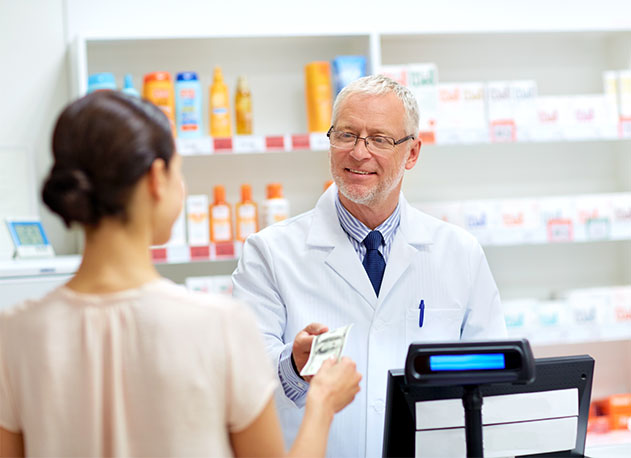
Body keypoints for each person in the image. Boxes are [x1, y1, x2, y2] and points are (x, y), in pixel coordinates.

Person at [0, 91, 361, 457]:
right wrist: (322, 404)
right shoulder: (218, 325)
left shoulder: (13, 334)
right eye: (179, 169)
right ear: (157, 178)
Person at [232, 74, 507, 457]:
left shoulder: (459, 253)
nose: (359, 153)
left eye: (379, 139)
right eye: (346, 135)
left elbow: (494, 379)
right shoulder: (268, 253)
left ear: (412, 154)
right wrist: (292, 368)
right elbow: (243, 381)